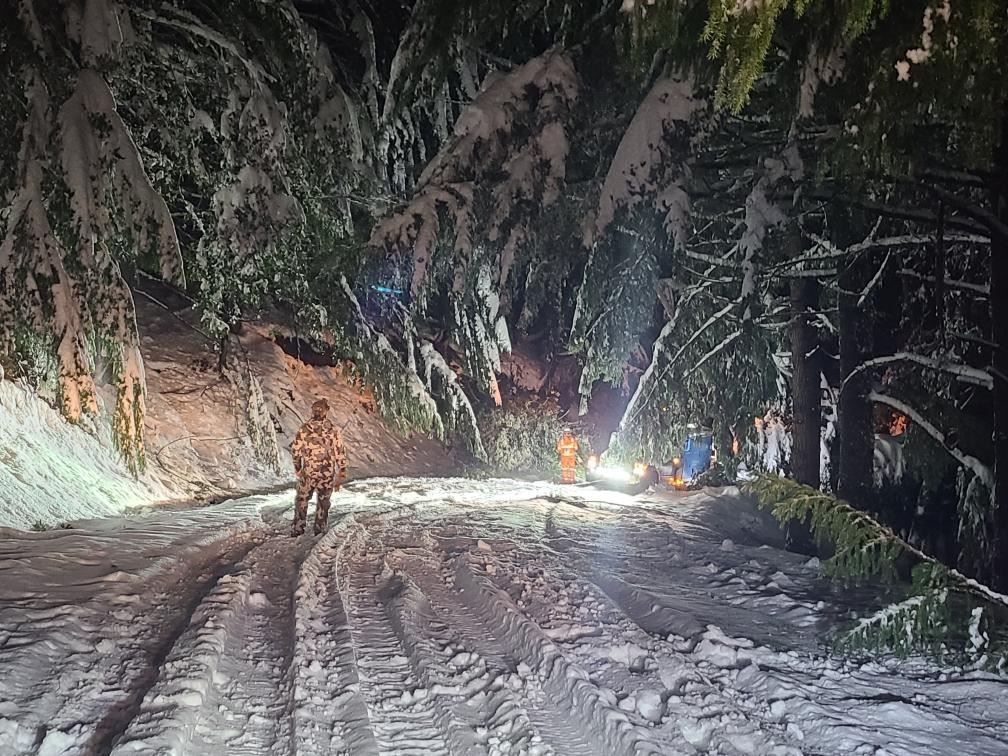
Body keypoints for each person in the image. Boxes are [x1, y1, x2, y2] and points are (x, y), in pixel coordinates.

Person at [290, 398, 347, 536]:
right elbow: (339, 451)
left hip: (308, 472)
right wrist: (342, 469)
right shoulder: (333, 430)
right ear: (326, 412)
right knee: (323, 501)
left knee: (302, 499)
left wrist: (298, 468)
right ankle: (319, 529)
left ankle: (298, 528)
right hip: (326, 474)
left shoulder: (304, 429)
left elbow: (296, 450)